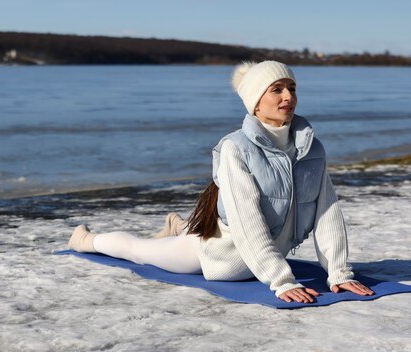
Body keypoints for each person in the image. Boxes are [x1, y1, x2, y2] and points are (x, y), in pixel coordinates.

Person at [68, 60, 374, 303]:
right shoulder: (236, 148)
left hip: (263, 258)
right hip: (221, 256)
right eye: (277, 89)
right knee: (140, 251)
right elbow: (246, 221)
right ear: (255, 101)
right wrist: (281, 280)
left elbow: (327, 212)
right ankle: (85, 240)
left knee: (176, 238)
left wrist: (338, 273)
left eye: (291, 88)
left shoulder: (312, 149)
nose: (288, 97)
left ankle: (182, 228)